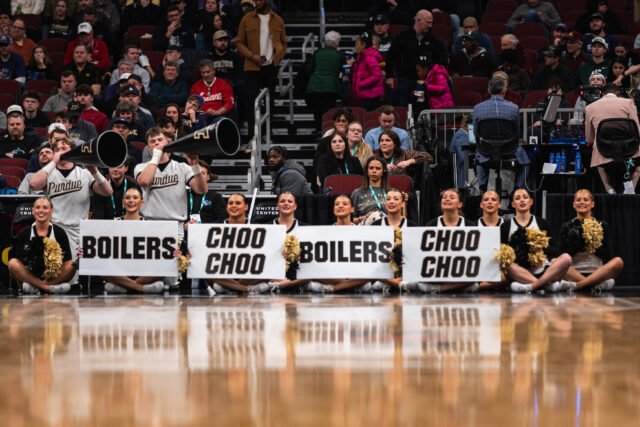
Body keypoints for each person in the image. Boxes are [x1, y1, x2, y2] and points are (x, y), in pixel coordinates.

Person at [28, 134, 113, 258]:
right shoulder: (49, 173)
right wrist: (54, 161)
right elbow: (33, 184)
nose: (61, 152)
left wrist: (94, 171)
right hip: (54, 228)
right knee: (53, 265)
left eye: (64, 149)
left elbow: (108, 191)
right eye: (57, 150)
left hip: (78, 229)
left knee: (74, 268)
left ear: (72, 151)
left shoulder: (84, 173)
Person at [134, 128, 207, 242]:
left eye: (160, 140)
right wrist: (156, 157)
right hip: (149, 223)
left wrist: (195, 166)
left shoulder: (182, 167)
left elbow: (201, 190)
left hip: (175, 224)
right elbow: (144, 182)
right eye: (152, 141)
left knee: (176, 254)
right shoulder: (141, 167)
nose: (157, 143)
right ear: (148, 147)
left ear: (167, 142)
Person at [501, 188, 572, 293]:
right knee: (506, 265)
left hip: (542, 270)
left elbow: (553, 250)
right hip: (519, 272)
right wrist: (517, 251)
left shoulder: (541, 223)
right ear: (513, 204)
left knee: (566, 258)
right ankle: (546, 285)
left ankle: (532, 286)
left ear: (531, 202)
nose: (522, 200)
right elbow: (502, 253)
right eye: (518, 198)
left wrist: (538, 248)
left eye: (525, 197)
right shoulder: (506, 226)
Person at [235, 0, 287, 141]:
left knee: (270, 102)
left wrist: (278, 58)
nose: (257, 3)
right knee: (251, 102)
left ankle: (266, 133)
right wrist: (252, 56)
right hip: (252, 66)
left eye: (260, 0)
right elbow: (239, 42)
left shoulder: (278, 20)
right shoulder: (246, 19)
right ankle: (252, 135)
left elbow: (284, 42)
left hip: (271, 67)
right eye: (255, 1)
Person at [100, 187, 165, 294]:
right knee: (100, 266)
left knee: (165, 266)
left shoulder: (151, 225)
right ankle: (141, 288)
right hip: (120, 272)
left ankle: (124, 287)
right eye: (127, 198)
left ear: (141, 202)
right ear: (123, 202)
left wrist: (172, 254)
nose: (131, 200)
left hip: (144, 272)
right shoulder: (113, 224)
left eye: (135, 197)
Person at [557, 189, 623, 292]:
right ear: (574, 204)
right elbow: (561, 255)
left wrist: (591, 243)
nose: (582, 202)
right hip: (573, 272)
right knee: (554, 262)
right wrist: (577, 244)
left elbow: (608, 254)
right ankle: (596, 285)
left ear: (592, 204)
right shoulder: (566, 226)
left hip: (597, 273)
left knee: (618, 262)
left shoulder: (602, 225)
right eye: (578, 200)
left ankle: (578, 286)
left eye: (585, 199)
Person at [472, 76, 529, 191]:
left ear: (489, 90)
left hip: (486, 150)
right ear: (504, 90)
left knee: (479, 156)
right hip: (509, 150)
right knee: (526, 162)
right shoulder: (514, 108)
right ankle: (517, 191)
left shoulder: (477, 108)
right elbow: (517, 132)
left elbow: (475, 132)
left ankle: (483, 190)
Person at [305, 195, 371, 293]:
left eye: (345, 204)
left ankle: (335, 288)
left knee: (370, 274)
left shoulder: (361, 232)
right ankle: (350, 285)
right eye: (337, 204)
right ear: (333, 209)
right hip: (332, 274)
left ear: (352, 209)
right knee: (313, 270)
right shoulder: (325, 232)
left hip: (354, 273)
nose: (340, 206)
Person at [8, 197, 75, 294]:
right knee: (13, 263)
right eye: (38, 207)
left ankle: (37, 288)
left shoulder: (59, 232)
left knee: (71, 265)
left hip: (52, 276)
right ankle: (48, 288)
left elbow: (67, 260)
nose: (41, 211)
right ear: (33, 211)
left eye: (45, 207)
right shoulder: (25, 233)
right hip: (31, 276)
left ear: (51, 211)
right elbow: (19, 261)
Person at [584, 83, 640, 194]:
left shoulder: (589, 107)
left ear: (602, 93)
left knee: (599, 161)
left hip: (603, 151)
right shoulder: (628, 103)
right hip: (628, 150)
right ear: (618, 93)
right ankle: (631, 187)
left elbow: (589, 139)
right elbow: (637, 131)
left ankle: (608, 188)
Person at [385, 9, 448, 106]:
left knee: (419, 107)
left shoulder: (434, 41)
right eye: (428, 22)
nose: (430, 26)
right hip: (405, 81)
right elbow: (390, 58)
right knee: (405, 108)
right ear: (418, 20)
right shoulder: (402, 38)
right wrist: (389, 76)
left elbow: (441, 62)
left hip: (423, 83)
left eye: (431, 23)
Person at [420, 189, 477, 293]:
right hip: (437, 272)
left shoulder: (470, 226)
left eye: (452, 197)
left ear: (460, 204)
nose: (447, 199)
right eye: (444, 197)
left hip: (461, 272)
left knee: (473, 282)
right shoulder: (431, 225)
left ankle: (441, 289)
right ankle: (454, 287)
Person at [304, 30, 344, 132]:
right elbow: (345, 69)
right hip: (331, 86)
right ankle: (327, 129)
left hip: (315, 85)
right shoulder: (339, 55)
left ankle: (318, 129)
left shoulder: (317, 53)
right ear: (337, 42)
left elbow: (308, 69)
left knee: (317, 109)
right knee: (329, 109)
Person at [189, 59, 235, 123]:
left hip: (220, 115)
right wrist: (200, 111)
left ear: (213, 71)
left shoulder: (224, 84)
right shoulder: (195, 87)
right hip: (202, 117)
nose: (205, 75)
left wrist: (217, 112)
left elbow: (230, 103)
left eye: (208, 72)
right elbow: (192, 105)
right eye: (203, 72)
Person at [186, 160, 227, 225]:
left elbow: (222, 219)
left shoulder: (216, 197)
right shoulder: (182, 195)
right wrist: (184, 226)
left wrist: (204, 227)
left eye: (203, 173)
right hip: (185, 230)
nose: (199, 176)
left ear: (208, 177)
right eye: (195, 173)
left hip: (209, 230)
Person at [350, 32, 383, 111]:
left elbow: (377, 75)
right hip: (364, 95)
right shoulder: (361, 57)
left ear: (364, 45)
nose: (356, 47)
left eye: (357, 44)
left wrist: (361, 84)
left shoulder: (369, 58)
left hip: (371, 96)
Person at [351, 155, 388, 224]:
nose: (374, 171)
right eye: (371, 168)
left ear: (383, 171)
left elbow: (400, 218)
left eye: (378, 168)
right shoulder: (357, 193)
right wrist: (362, 218)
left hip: (387, 226)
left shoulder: (391, 192)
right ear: (367, 171)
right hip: (365, 227)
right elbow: (350, 221)